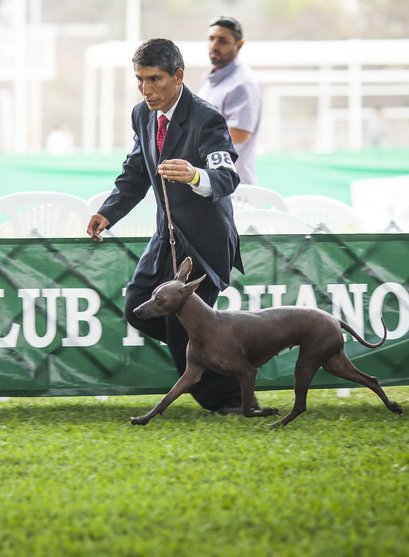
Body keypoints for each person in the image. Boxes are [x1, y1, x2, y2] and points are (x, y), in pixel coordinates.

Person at [86, 38, 246, 414]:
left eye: (155, 79)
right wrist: (108, 212)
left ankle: (231, 401)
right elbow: (136, 172)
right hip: (165, 239)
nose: (146, 89)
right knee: (135, 308)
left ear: (178, 76)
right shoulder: (142, 114)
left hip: (205, 244)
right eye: (139, 79)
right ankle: (216, 350)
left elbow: (227, 177)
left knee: (181, 329)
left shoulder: (207, 118)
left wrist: (195, 175)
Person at [197, 16, 261, 185]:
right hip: (210, 182)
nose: (214, 46)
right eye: (211, 39)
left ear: (239, 45)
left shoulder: (242, 84)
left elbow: (240, 133)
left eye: (222, 41)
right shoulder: (209, 80)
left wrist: (191, 139)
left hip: (234, 188)